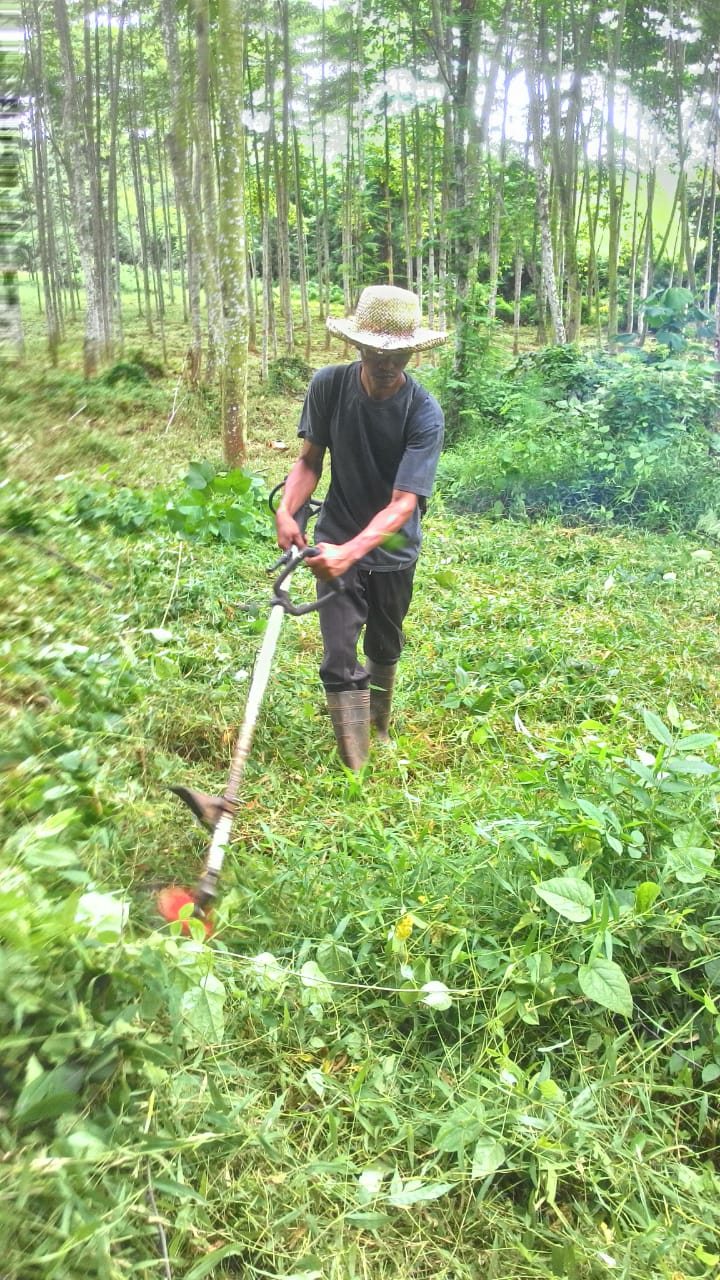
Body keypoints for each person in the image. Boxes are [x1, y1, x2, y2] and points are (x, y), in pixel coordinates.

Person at [275, 285, 447, 770]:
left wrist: (353, 551)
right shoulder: (329, 385)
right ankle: (356, 765)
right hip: (337, 530)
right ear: (358, 347)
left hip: (393, 542)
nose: (387, 364)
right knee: (337, 651)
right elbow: (309, 460)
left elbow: (402, 504)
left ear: (413, 351)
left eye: (399, 353)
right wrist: (287, 511)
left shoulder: (424, 412)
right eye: (376, 352)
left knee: (385, 642)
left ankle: (379, 724)